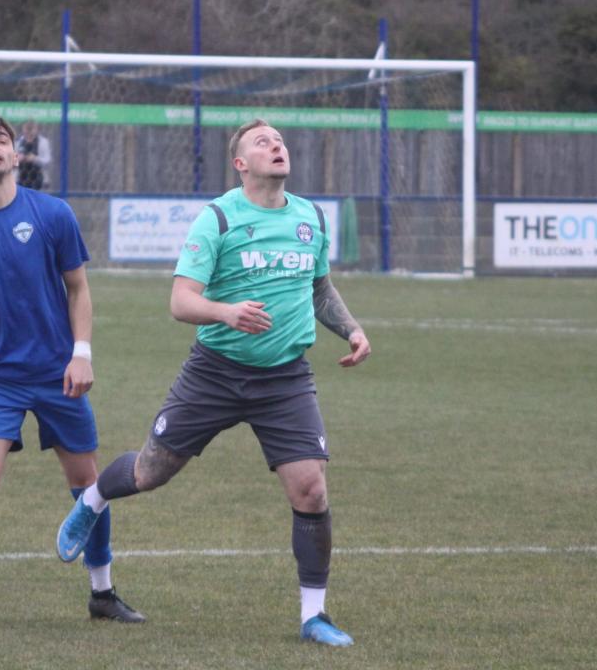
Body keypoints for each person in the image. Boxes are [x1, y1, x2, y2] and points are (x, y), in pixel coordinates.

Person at [56, 118, 371, 646]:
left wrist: (352, 329)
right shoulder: (218, 218)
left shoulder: (311, 217)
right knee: (150, 472)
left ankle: (313, 616)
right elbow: (181, 301)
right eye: (262, 142)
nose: (277, 145)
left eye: (279, 140)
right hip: (215, 374)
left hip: (285, 379)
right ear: (240, 164)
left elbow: (319, 288)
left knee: (311, 489)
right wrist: (227, 312)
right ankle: (92, 500)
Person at [0, 110, 143, 627]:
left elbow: (78, 288)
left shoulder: (52, 214)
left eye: (2, 139)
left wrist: (82, 353)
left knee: (88, 487)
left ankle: (103, 592)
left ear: (16, 155)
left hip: (58, 373)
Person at [15, 119, 51, 190]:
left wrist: (35, 159)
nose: (29, 131)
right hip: (21, 177)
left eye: (32, 128)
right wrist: (18, 159)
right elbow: (11, 161)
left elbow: (47, 160)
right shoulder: (18, 142)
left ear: (37, 129)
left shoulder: (43, 142)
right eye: (27, 128)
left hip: (38, 176)